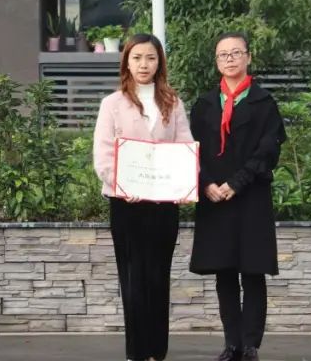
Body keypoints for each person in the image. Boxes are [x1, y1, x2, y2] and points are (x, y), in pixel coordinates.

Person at [93, 33, 194, 361]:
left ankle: (157, 351)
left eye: (150, 57)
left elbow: (184, 146)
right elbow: (103, 157)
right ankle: (137, 352)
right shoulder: (112, 104)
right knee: (133, 279)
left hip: (164, 205)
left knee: (158, 276)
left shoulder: (172, 102)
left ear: (159, 62)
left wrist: (185, 184)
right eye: (136, 57)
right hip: (127, 205)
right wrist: (125, 185)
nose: (143, 64)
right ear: (126, 62)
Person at [189, 32, 287, 361]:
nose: (229, 59)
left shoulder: (264, 102)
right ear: (216, 61)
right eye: (223, 55)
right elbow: (192, 150)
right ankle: (231, 343)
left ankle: (250, 345)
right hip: (215, 199)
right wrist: (206, 184)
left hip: (251, 197)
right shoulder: (204, 104)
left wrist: (237, 182)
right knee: (225, 272)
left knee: (252, 272)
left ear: (248, 57)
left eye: (235, 53)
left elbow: (268, 150)